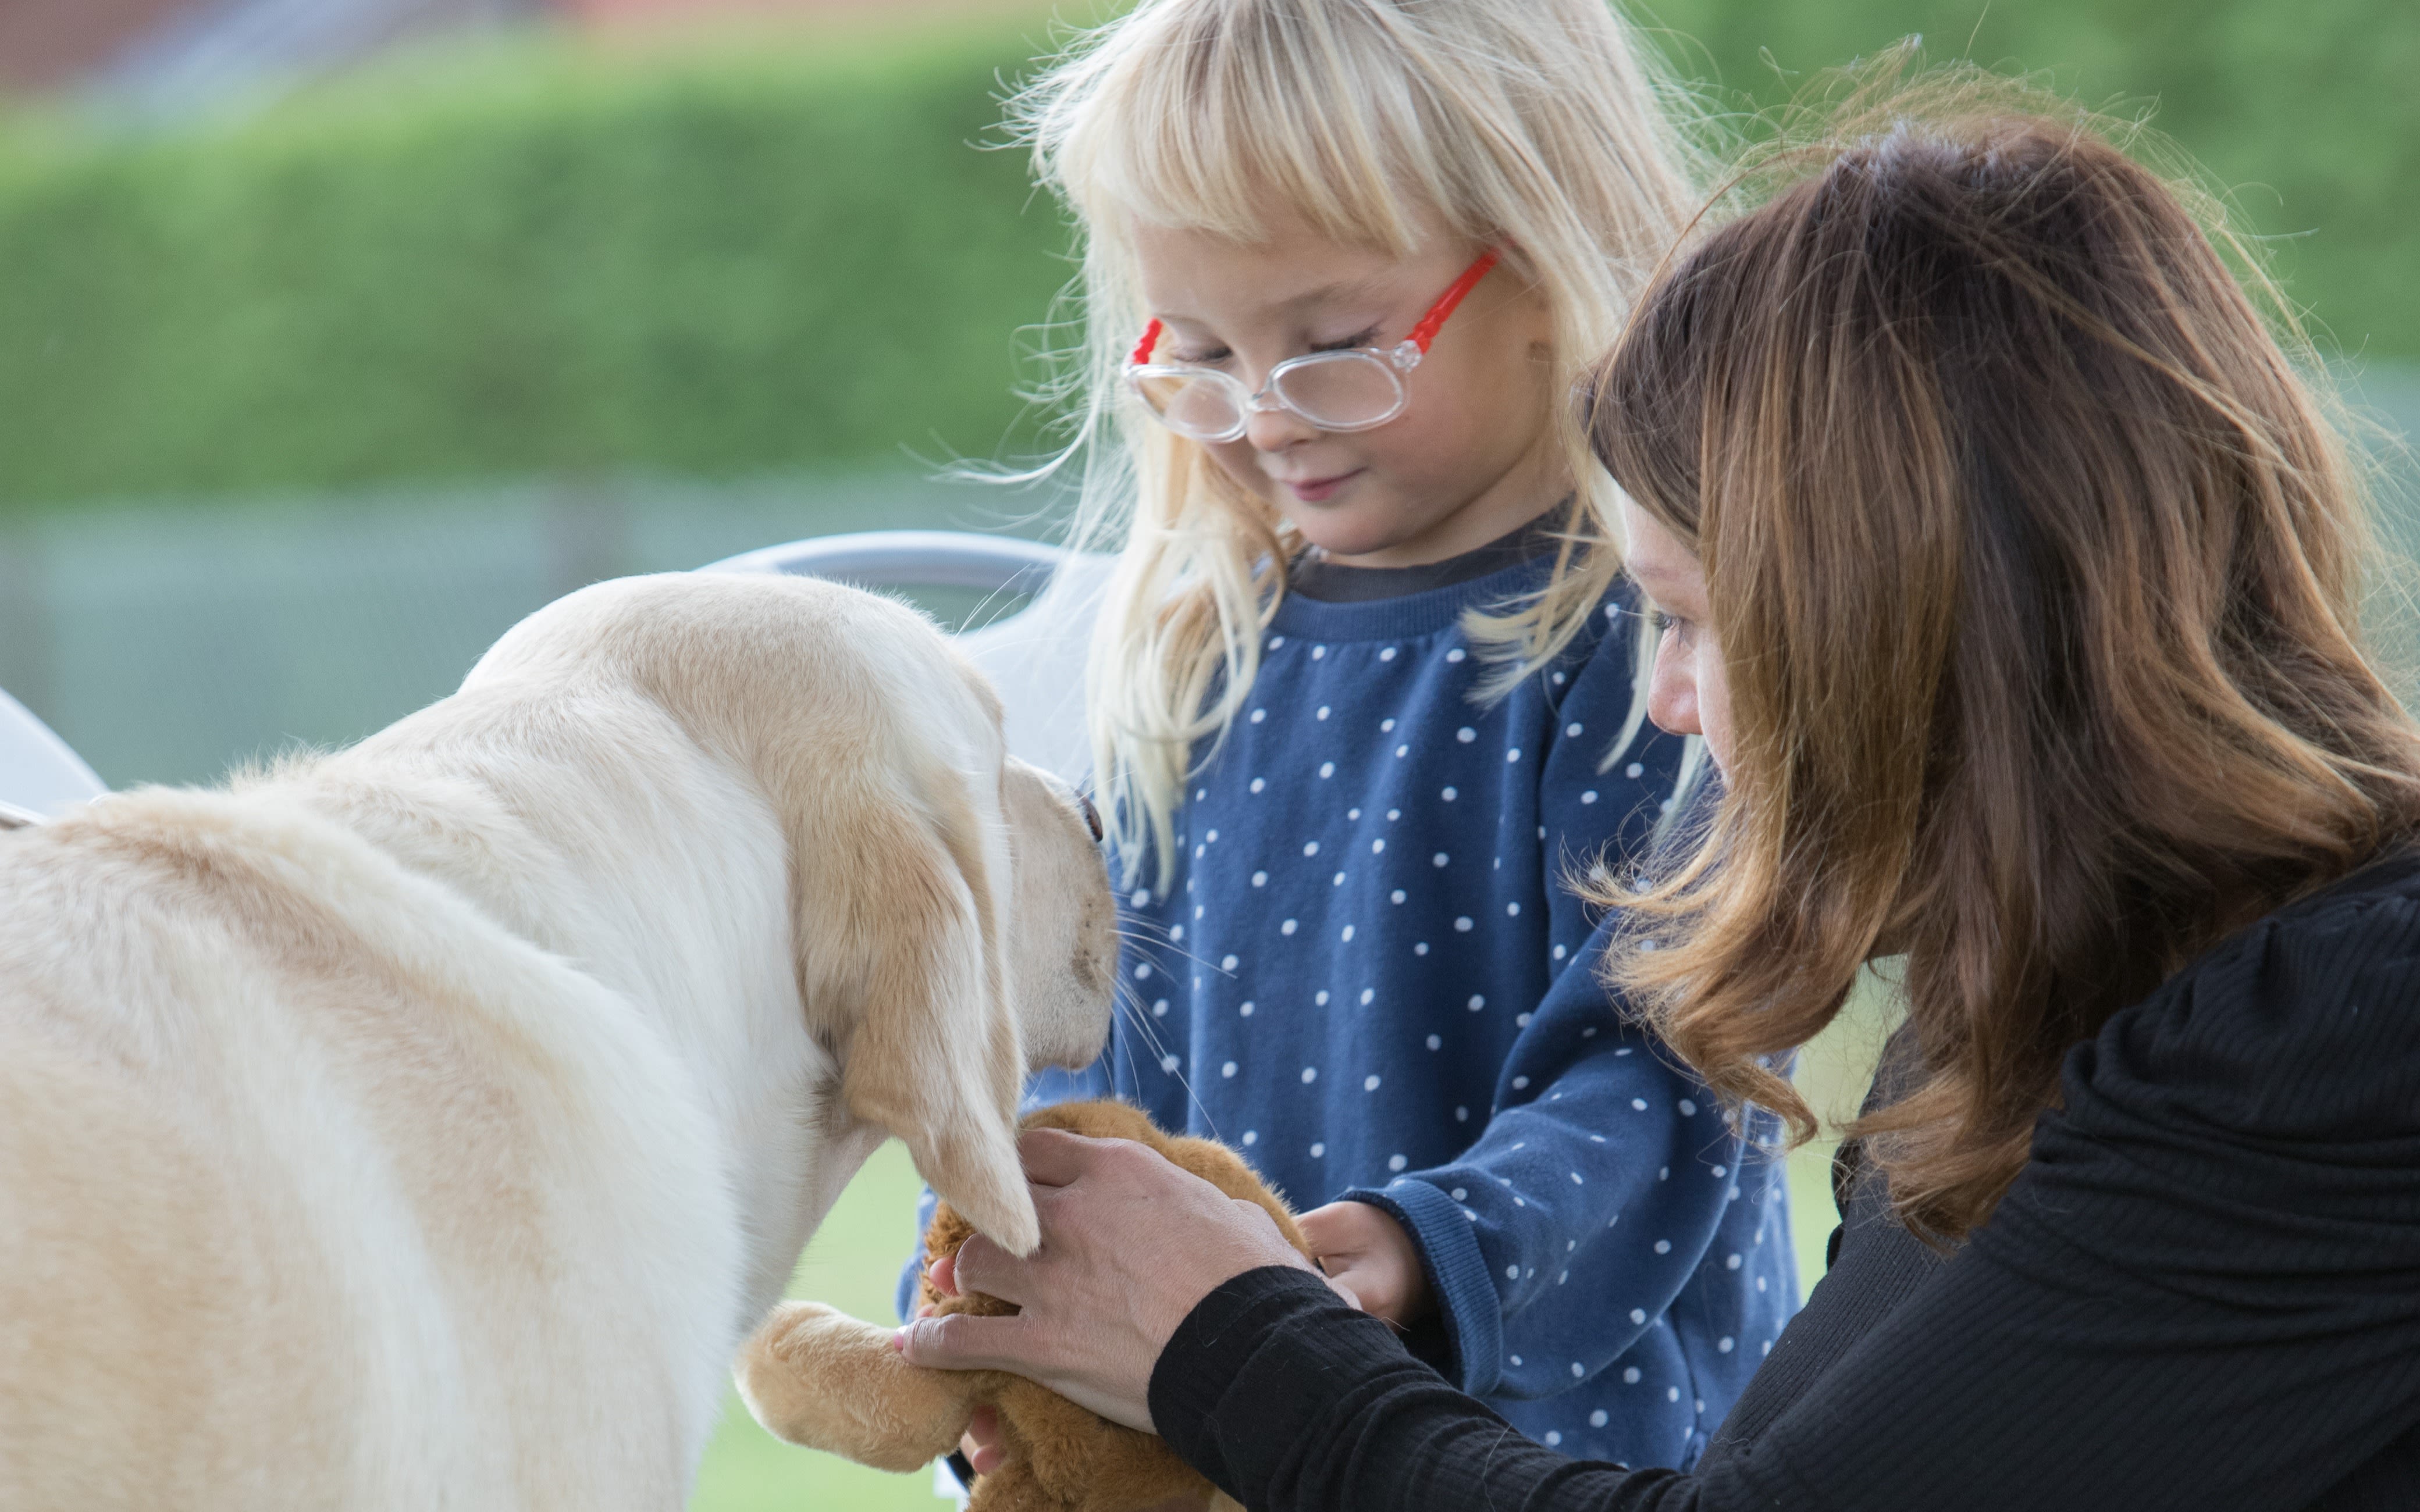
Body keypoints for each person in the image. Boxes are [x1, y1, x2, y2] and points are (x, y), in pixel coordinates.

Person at [896, 73, 2420, 1511]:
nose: (1672, 699)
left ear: (1907, 619)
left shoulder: (2334, 1047)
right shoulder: (2046, 1010)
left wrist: (1225, 1335)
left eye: (1692, 620)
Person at [902, 0, 1799, 1481]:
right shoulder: (1193, 647)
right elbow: (1088, 1046)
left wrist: (1422, 1247)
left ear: (1539, 267)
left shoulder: (1653, 650)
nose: (1260, 417)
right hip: (1207, 1441)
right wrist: (1018, 1260)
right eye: (1195, 349)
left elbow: (1673, 1069)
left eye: (1330, 345)